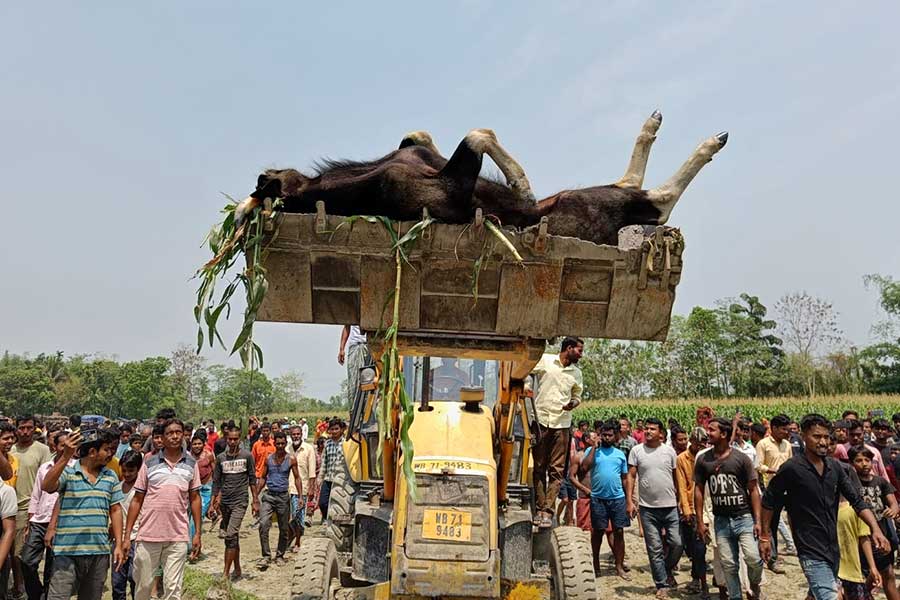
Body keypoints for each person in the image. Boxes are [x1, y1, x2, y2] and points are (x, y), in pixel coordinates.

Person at [760, 414, 890, 600]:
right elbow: (769, 501)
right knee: (830, 596)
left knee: (818, 593)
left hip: (833, 548)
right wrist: (765, 537)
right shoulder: (791, 468)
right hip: (810, 549)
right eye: (817, 436)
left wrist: (876, 529)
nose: (823, 442)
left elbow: (857, 500)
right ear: (804, 436)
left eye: (826, 437)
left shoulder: (835, 468)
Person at [41, 428, 125, 600]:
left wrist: (118, 543)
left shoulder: (111, 476)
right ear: (93, 452)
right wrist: (65, 456)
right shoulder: (69, 473)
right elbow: (47, 486)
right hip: (67, 551)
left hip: (99, 552)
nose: (111, 453)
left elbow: (115, 510)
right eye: (107, 449)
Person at [124, 419, 202, 600]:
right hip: (148, 535)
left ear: (183, 435)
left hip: (178, 536)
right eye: (169, 433)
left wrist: (197, 533)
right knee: (143, 587)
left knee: (173, 589)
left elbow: (195, 498)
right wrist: (127, 536)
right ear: (162, 438)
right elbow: (137, 500)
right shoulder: (149, 463)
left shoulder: (191, 463)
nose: (174, 436)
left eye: (178, 432)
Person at [694, 417, 764, 600]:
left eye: (712, 430)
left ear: (724, 434)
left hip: (744, 517)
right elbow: (699, 491)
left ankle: (754, 584)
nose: (707, 433)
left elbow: (753, 491)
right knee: (729, 564)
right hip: (721, 521)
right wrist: (700, 521)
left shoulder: (741, 459)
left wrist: (758, 521)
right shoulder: (703, 460)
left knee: (753, 559)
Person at [529, 336, 584, 529]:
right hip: (541, 421)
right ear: (568, 348)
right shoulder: (545, 360)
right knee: (538, 467)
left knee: (557, 469)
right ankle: (539, 508)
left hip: (562, 424)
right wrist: (527, 387)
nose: (581, 354)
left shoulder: (576, 373)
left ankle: (548, 511)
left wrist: (573, 404)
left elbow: (578, 395)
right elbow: (526, 372)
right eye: (579, 350)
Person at [626, 417, 682, 598]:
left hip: (670, 506)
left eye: (652, 429)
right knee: (655, 547)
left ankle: (665, 568)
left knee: (677, 543)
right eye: (646, 429)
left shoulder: (669, 452)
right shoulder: (636, 451)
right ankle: (661, 583)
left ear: (660, 433)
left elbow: (676, 477)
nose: (648, 432)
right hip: (647, 508)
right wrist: (629, 501)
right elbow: (631, 477)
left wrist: (680, 499)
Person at [21, 430, 70, 600]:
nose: (65, 448)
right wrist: (30, 521)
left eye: (68, 445)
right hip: (39, 520)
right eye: (62, 445)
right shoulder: (45, 467)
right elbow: (36, 495)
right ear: (54, 446)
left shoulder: (75, 469)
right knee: (27, 561)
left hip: (61, 523)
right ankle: (37, 594)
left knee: (52, 567)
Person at [849, 446, 900, 600]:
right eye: (859, 460)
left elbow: (894, 503)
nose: (864, 464)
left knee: (888, 573)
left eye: (867, 460)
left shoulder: (880, 481)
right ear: (852, 463)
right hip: (859, 537)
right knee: (861, 577)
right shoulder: (849, 483)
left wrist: (893, 510)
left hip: (880, 536)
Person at [581, 421, 630, 580]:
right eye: (604, 435)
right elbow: (584, 468)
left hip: (617, 499)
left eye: (610, 435)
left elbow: (625, 478)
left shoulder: (620, 454)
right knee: (598, 532)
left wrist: (629, 500)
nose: (607, 438)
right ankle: (595, 563)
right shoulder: (593, 451)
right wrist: (594, 447)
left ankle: (619, 566)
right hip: (598, 499)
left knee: (619, 532)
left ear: (616, 436)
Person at [210, 426, 259, 581]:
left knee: (230, 535)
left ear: (240, 439)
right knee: (232, 537)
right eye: (229, 439)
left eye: (235, 439)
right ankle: (237, 568)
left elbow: (252, 479)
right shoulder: (220, 458)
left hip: (240, 501)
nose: (232, 442)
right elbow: (216, 482)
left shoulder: (247, 456)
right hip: (225, 502)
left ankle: (225, 573)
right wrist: (213, 503)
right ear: (226, 438)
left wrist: (255, 500)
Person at [11, 415, 52, 597]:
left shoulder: (42, 450)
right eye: (21, 428)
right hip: (8, 505)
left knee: (21, 554)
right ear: (16, 428)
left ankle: (23, 588)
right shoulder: (9, 449)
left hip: (27, 508)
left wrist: (34, 512)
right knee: (11, 553)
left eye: (29, 428)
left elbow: (46, 480)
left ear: (34, 429)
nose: (25, 431)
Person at [755, 414, 796, 573]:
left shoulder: (787, 444)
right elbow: (758, 465)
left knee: (780, 520)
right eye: (784, 429)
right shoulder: (763, 444)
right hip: (770, 487)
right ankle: (771, 558)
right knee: (770, 524)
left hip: (787, 488)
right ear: (774, 428)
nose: (787, 432)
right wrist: (774, 471)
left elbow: (791, 463)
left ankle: (773, 555)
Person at [256, 430, 301, 568]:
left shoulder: (291, 459)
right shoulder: (269, 459)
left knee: (283, 527)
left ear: (285, 443)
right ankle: (266, 556)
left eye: (283, 443)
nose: (280, 445)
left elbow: (297, 477)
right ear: (274, 443)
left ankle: (280, 555)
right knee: (263, 524)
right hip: (269, 496)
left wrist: (300, 496)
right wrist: (255, 496)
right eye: (278, 443)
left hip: (283, 497)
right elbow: (263, 477)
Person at [675, 426, 708, 598]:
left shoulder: (709, 457)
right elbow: (681, 486)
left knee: (701, 548)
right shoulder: (682, 459)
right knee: (696, 549)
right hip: (691, 508)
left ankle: (703, 584)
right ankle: (699, 580)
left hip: (708, 508)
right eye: (699, 443)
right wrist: (686, 510)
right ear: (693, 442)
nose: (702, 446)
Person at [837, 492, 880, 600]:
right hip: (830, 568)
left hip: (852, 569)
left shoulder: (857, 508)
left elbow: (864, 538)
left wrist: (873, 567)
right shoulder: (823, 507)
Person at [112, 450, 143, 600]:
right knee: (117, 581)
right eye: (124, 470)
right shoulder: (117, 488)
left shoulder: (143, 490)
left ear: (138, 469)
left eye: (131, 470)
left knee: (134, 578)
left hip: (137, 539)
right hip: (118, 540)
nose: (127, 473)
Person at [288, 424, 316, 550]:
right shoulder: (287, 449)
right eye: (293, 434)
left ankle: (298, 541)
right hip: (286, 488)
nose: (296, 436)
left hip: (301, 490)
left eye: (298, 434)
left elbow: (312, 472)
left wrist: (311, 489)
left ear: (301, 434)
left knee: (297, 516)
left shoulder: (308, 449)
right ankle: (289, 539)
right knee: (287, 518)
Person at [189, 433, 216, 544]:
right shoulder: (187, 456)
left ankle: (192, 544)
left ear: (203, 444)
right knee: (189, 516)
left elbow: (216, 473)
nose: (197, 446)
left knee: (198, 515)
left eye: (199, 443)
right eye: (194, 444)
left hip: (206, 489)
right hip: (192, 489)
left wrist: (216, 492)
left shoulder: (209, 455)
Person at [317, 419, 346, 520]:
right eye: (332, 429)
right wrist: (320, 478)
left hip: (341, 481)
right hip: (328, 478)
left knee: (338, 503)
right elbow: (324, 462)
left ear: (342, 430)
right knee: (323, 503)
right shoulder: (327, 443)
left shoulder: (346, 443)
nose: (334, 432)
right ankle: (326, 518)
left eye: (336, 429)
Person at [339, 325, 372, 406]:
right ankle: (353, 409)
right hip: (355, 345)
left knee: (369, 379)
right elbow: (347, 327)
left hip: (369, 345)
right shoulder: (351, 313)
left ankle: (367, 410)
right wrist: (341, 349)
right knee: (353, 382)